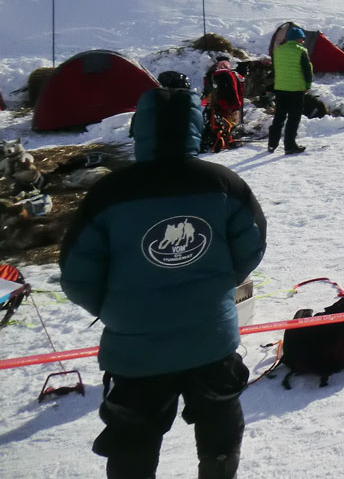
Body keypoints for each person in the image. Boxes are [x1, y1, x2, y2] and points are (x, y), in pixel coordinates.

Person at [59, 74, 266, 479]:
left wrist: (116, 310)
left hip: (136, 351)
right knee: (221, 432)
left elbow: (77, 275)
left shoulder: (109, 194)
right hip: (212, 339)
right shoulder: (224, 184)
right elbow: (251, 248)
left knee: (133, 445)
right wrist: (215, 288)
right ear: (196, 126)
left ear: (141, 128)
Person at [268, 25, 313, 154]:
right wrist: (308, 85)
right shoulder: (301, 51)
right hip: (296, 89)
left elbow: (275, 70)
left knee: (279, 117)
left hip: (280, 89)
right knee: (293, 118)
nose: (303, 41)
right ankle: (290, 146)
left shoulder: (278, 51)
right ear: (298, 39)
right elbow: (307, 70)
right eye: (302, 38)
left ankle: (272, 144)